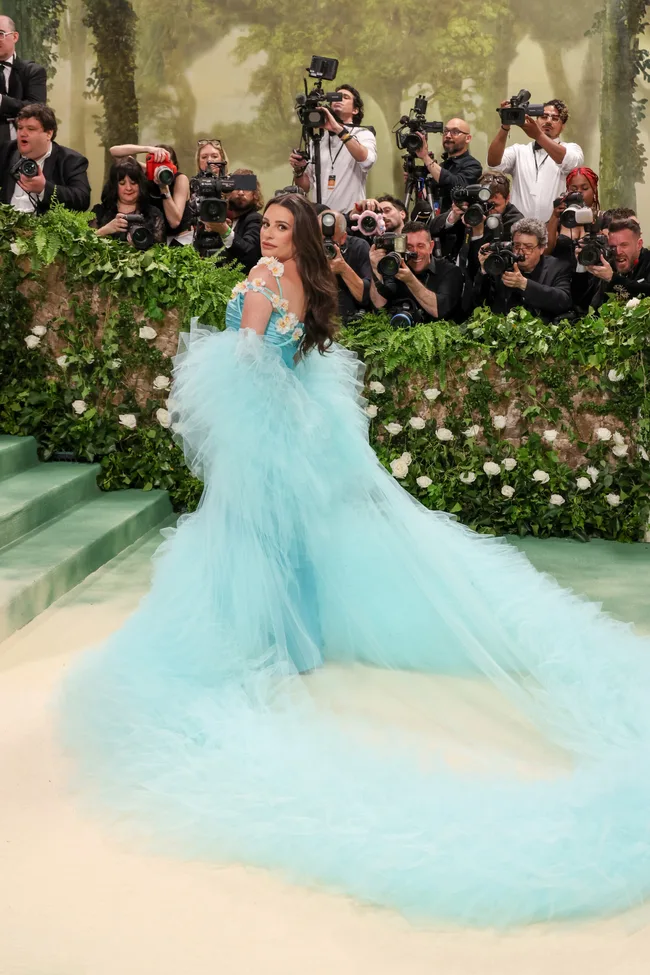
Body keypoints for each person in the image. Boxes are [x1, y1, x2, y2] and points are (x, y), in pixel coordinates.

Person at [61, 191, 650, 930]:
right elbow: (297, 356)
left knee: (249, 537)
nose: (268, 235)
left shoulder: (258, 282)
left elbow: (247, 363)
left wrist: (254, 392)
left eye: (280, 226)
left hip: (265, 435)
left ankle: (270, 641)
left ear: (296, 233)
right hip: (299, 429)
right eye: (266, 226)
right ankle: (294, 641)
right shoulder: (308, 281)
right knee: (285, 538)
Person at [487, 98, 584, 223]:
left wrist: (538, 135)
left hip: (555, 229)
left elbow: (570, 162)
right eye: (544, 117)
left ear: (563, 126)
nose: (548, 121)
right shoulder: (519, 151)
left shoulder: (571, 148)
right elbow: (493, 163)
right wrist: (506, 124)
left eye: (555, 118)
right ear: (536, 120)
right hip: (518, 229)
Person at [289, 83, 377, 211]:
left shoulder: (363, 134)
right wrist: (299, 170)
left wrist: (338, 129)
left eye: (345, 97)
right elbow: (305, 187)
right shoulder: (317, 140)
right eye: (335, 97)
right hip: (319, 216)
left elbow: (366, 161)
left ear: (355, 110)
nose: (338, 99)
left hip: (350, 217)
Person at [474, 216, 572, 320]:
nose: (521, 252)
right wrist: (485, 269)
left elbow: (563, 301)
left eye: (528, 247)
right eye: (516, 246)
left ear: (542, 248)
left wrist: (524, 284)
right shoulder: (502, 264)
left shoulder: (558, 267)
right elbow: (478, 302)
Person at [0, 103, 90, 213]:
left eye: (30, 129)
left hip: (43, 228)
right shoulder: (6, 151)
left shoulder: (70, 160)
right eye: (20, 128)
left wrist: (44, 188)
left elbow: (82, 199)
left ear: (48, 134)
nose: (22, 133)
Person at [369, 220, 463, 322]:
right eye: (409, 247)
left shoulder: (450, 271)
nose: (415, 253)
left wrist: (410, 280)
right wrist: (376, 268)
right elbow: (379, 307)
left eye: (420, 246)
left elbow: (440, 311)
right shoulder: (394, 267)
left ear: (431, 247)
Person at [430, 172, 523, 265]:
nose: (489, 210)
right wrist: (453, 216)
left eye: (494, 205)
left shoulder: (515, 222)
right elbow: (432, 230)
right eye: (485, 204)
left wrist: (478, 233)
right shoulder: (472, 207)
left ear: (507, 199)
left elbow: (492, 263)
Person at [108, 142, 192, 244]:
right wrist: (148, 149)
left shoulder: (180, 179)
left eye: (166, 164)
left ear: (174, 165)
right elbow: (114, 151)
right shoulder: (148, 171)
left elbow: (175, 222)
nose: (161, 168)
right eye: (158, 164)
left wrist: (164, 188)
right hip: (157, 235)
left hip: (180, 237)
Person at [89, 156, 165, 248]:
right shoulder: (100, 212)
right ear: (114, 186)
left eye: (133, 183)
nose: (128, 188)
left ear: (140, 184)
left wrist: (140, 247)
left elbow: (161, 251)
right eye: (122, 183)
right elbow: (85, 246)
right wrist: (104, 231)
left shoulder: (153, 214)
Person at [412, 117, 482, 213]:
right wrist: (418, 181)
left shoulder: (473, 165)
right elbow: (428, 198)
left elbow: (456, 185)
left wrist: (426, 157)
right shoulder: (443, 165)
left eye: (455, 132)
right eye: (445, 131)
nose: (448, 136)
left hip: (457, 224)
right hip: (436, 223)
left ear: (468, 138)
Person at [578, 217, 650, 309]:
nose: (618, 252)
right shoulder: (608, 264)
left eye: (624, 245)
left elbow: (646, 292)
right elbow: (584, 306)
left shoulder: (647, 261)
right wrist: (581, 265)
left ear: (639, 244)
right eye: (613, 246)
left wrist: (612, 278)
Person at [202, 168, 263, 273]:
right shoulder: (230, 219)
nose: (240, 192)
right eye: (236, 188)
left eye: (247, 188)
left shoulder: (255, 219)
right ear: (228, 192)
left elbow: (250, 253)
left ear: (255, 194)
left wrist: (225, 231)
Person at [319, 208, 372, 322]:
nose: (325, 244)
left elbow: (366, 297)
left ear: (343, 238)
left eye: (331, 238)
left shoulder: (358, 247)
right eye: (320, 238)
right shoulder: (306, 250)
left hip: (352, 322)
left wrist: (343, 268)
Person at [0, 15, 46, 143]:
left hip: (23, 146)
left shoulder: (33, 71)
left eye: (0, 34)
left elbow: (37, 108)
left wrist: (1, 101)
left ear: (15, 37)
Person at [547, 166, 602, 256]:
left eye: (584, 188)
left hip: (594, 269)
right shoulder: (560, 219)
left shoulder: (604, 218)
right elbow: (545, 251)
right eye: (574, 190)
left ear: (594, 189)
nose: (579, 192)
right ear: (567, 192)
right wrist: (554, 216)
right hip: (560, 269)